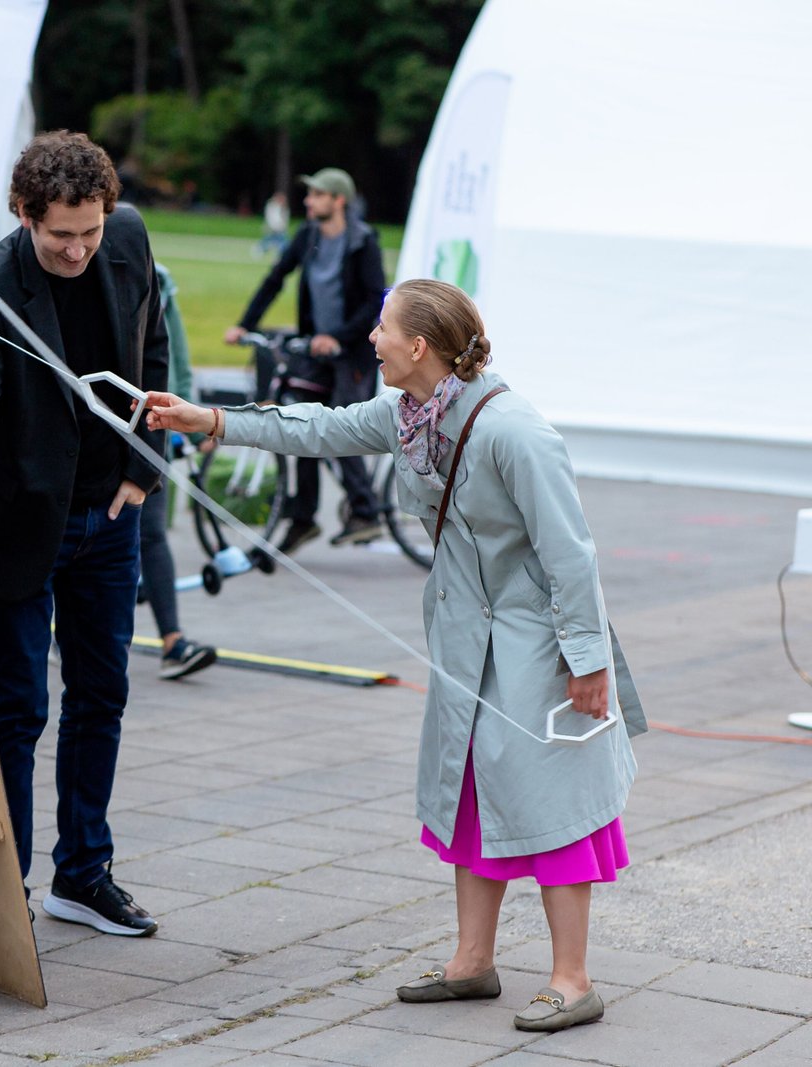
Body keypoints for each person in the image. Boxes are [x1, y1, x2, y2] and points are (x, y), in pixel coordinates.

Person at [147, 279, 646, 1033]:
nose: (371, 339)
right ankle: (472, 962)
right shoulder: (407, 413)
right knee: (469, 793)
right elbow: (318, 427)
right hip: (467, 642)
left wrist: (587, 662)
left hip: (536, 646)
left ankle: (572, 980)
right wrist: (211, 418)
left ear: (418, 346)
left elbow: (571, 554)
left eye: (382, 327)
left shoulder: (514, 430)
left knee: (557, 808)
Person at [0, 130, 167, 937]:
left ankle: (83, 874)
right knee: (16, 708)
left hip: (111, 513)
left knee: (101, 693)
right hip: (19, 520)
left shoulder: (128, 237)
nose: (77, 249)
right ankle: (4, 885)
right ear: (24, 215)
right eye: (59, 235)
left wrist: (144, 468)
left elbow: (153, 348)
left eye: (89, 232)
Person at [222, 167, 385, 554]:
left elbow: (375, 302)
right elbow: (276, 277)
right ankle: (303, 517)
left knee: (342, 426)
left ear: (338, 200)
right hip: (316, 350)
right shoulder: (308, 235)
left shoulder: (363, 242)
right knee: (302, 421)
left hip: (352, 353)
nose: (308, 201)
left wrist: (338, 337)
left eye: (317, 195)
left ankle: (366, 512)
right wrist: (245, 325)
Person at [142, 262, 216, 680]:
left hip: (151, 426)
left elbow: (178, 357)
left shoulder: (160, 282)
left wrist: (194, 418)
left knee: (151, 533)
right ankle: (67, 636)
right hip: (93, 430)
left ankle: (173, 642)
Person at [259, 190, 289, 258]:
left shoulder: (284, 208)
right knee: (268, 240)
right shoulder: (271, 206)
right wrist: (270, 226)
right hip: (273, 227)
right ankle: (261, 249)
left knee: (282, 241)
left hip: (280, 228)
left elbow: (285, 219)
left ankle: (283, 252)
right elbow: (270, 217)